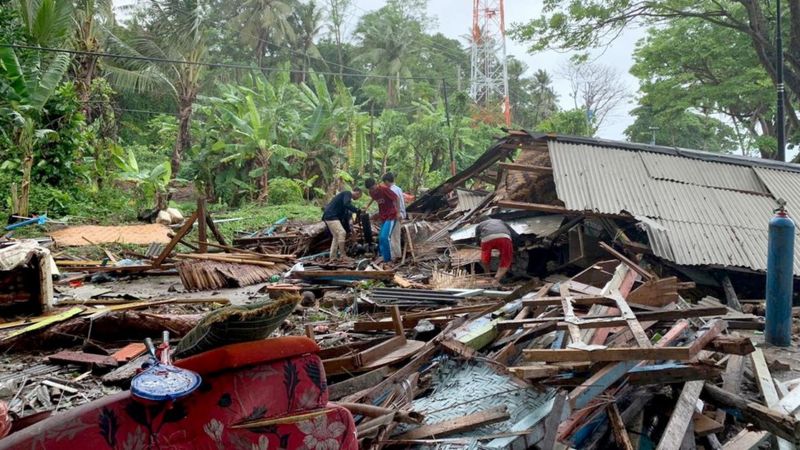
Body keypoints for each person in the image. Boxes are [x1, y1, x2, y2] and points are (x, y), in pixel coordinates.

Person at [321, 187, 362, 261]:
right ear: (357, 193)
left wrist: (350, 230)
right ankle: (343, 255)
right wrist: (356, 210)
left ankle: (333, 257)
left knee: (336, 237)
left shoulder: (345, 199)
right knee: (342, 232)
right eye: (359, 197)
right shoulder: (347, 193)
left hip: (329, 216)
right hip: (331, 216)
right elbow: (347, 204)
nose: (358, 198)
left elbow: (345, 217)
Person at [364, 178, 398, 263]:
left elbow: (396, 198)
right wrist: (367, 206)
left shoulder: (384, 189)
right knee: (380, 238)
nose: (372, 190)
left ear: (376, 184)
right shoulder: (372, 192)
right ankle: (382, 256)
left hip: (391, 215)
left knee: (385, 237)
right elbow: (373, 198)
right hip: (383, 216)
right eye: (370, 189)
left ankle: (388, 259)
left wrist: (398, 212)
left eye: (373, 188)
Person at [382, 172, 405, 260]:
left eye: (385, 182)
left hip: (395, 215)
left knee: (393, 236)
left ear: (387, 181)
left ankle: (395, 256)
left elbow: (395, 202)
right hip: (399, 214)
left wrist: (397, 213)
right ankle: (396, 255)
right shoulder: (398, 189)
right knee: (395, 236)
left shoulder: (391, 190)